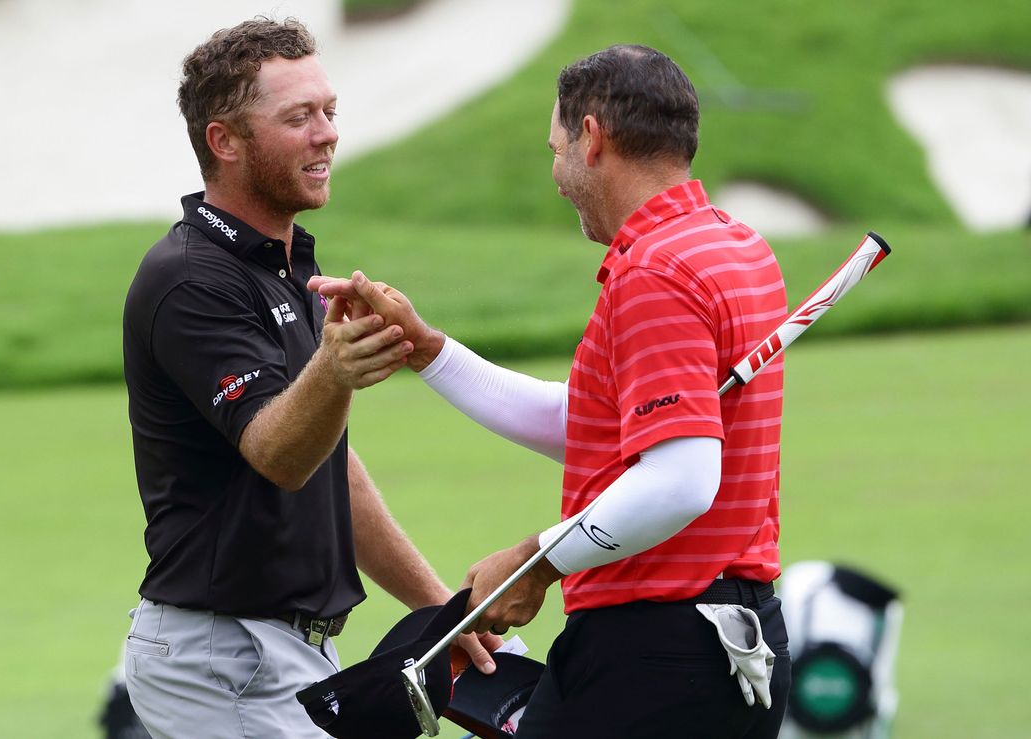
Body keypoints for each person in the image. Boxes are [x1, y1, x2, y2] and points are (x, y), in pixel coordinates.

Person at [312, 44, 792, 738]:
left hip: (653, 654)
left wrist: (537, 562)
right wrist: (429, 350)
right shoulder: (734, 248)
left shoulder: (656, 272)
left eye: (557, 148)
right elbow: (593, 426)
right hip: (729, 643)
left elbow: (682, 479)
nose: (558, 175)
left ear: (592, 139)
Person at [119, 17, 497, 739]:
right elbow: (279, 454)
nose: (326, 134)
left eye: (329, 112)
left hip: (284, 654)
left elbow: (331, 467)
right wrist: (335, 366)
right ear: (225, 141)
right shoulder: (190, 281)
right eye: (299, 117)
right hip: (221, 658)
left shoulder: (285, 266)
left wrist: (442, 612)